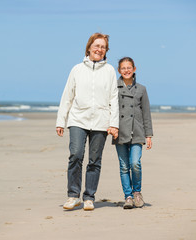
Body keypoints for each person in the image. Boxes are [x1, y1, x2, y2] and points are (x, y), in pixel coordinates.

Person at [56, 33, 119, 211]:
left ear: (106, 51)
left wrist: (113, 123)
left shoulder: (109, 71)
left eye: (103, 47)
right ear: (89, 47)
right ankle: (73, 196)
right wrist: (61, 121)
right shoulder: (77, 69)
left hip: (101, 121)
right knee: (75, 155)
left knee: (94, 160)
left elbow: (114, 99)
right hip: (78, 119)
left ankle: (89, 197)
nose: (99, 49)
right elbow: (67, 96)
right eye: (97, 45)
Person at [112, 57, 153, 209]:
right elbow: (110, 110)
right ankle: (128, 196)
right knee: (123, 166)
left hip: (137, 131)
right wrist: (111, 127)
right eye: (123, 68)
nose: (126, 70)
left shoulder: (141, 89)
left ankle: (137, 192)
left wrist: (148, 135)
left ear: (134, 69)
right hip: (120, 132)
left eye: (129, 68)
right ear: (119, 70)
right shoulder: (114, 88)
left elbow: (146, 113)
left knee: (135, 163)